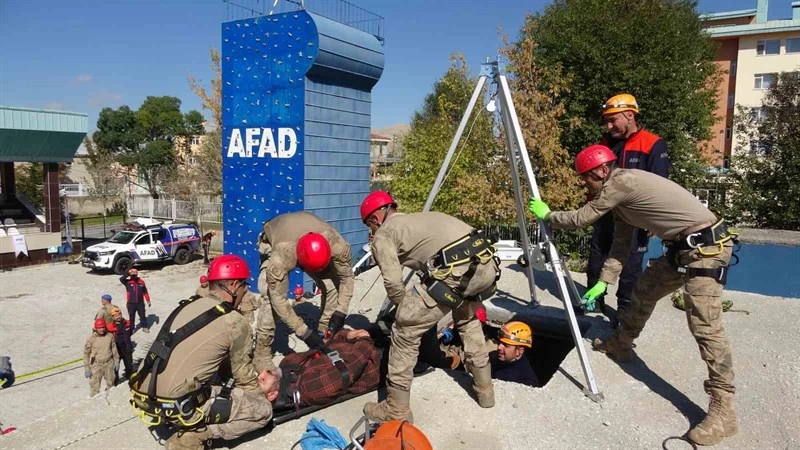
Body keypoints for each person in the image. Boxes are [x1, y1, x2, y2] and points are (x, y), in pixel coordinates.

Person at [528, 145, 739, 446]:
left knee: (705, 326)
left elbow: (580, 218)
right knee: (643, 291)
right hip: (683, 250)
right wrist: (604, 282)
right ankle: (622, 343)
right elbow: (620, 247)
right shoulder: (622, 201)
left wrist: (549, 215)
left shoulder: (622, 182)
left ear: (602, 170)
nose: (583, 183)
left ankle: (723, 409)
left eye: (586, 177)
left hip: (706, 250)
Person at [359, 191, 500, 422]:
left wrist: (407, 313)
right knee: (467, 319)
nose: (372, 231)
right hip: (487, 266)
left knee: (404, 332)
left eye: (370, 226)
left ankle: (395, 410)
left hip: (455, 270)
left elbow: (393, 283)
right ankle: (485, 391)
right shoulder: (421, 218)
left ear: (375, 218)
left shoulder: (385, 233)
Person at [128, 255, 272, 450]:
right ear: (234, 285)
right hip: (177, 404)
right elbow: (243, 377)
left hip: (143, 395)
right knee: (263, 411)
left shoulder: (187, 304)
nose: (244, 293)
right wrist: (259, 397)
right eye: (244, 288)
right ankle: (193, 435)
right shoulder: (235, 321)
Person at [588, 94, 670, 324]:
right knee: (597, 257)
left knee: (631, 265)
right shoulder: (605, 143)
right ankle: (593, 299)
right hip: (606, 214)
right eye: (607, 121)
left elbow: (659, 185)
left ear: (630, 115)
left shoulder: (653, 144)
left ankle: (625, 309)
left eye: (613, 120)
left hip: (635, 218)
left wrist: (653, 220)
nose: (609, 126)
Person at [254, 211, 355, 372]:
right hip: (276, 239)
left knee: (330, 284)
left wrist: (340, 312)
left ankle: (325, 331)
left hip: (311, 243)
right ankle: (262, 353)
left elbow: (347, 278)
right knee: (269, 296)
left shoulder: (336, 243)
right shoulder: (282, 255)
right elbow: (278, 298)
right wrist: (303, 331)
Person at [261, 329, 382, 409]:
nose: (263, 373)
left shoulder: (287, 363)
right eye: (262, 380)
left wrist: (346, 335)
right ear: (272, 395)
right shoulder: (310, 389)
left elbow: (325, 348)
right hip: (374, 361)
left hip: (356, 344)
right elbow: (350, 367)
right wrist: (365, 339)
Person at [83, 318, 119, 397]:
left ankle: (111, 398)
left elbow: (114, 349)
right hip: (97, 365)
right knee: (94, 386)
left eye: (103, 327)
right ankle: (93, 400)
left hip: (109, 363)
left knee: (111, 383)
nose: (101, 329)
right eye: (99, 328)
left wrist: (117, 361)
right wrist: (87, 368)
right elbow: (86, 354)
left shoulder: (110, 336)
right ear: (96, 328)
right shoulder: (91, 339)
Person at [106, 307, 134, 381]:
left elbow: (130, 332)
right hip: (116, 350)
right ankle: (115, 380)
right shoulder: (109, 327)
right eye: (115, 316)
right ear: (112, 317)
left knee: (129, 364)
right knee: (115, 366)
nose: (118, 317)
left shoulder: (128, 323)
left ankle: (129, 377)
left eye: (119, 314)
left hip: (127, 348)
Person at [120, 268, 151, 334]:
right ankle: (132, 328)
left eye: (134, 275)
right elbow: (121, 279)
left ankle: (145, 327)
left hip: (140, 303)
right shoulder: (127, 282)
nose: (133, 276)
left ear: (137, 274)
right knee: (131, 316)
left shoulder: (141, 282)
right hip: (131, 303)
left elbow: (145, 291)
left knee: (142, 315)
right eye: (132, 275)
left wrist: (148, 300)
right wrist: (128, 273)